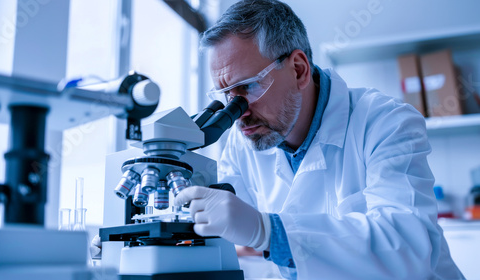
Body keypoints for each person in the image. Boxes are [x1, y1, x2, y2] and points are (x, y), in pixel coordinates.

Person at [173, 0, 465, 279]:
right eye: (226, 96)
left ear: (299, 69)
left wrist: (268, 230)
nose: (238, 113)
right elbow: (237, 239)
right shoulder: (243, 143)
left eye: (248, 86)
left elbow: (407, 247)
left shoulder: (386, 122)